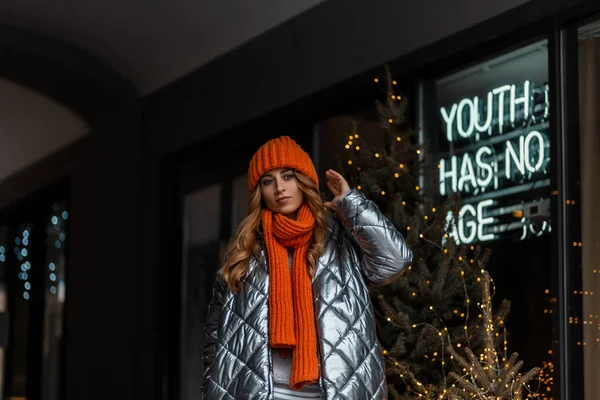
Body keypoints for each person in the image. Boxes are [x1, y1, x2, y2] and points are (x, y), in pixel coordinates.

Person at [201, 136, 413, 400]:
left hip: (332, 390)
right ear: (259, 192)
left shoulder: (339, 238)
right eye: (268, 181)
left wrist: (351, 204)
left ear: (303, 181)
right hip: (262, 393)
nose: (279, 188)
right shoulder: (244, 251)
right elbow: (215, 336)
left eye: (288, 176)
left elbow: (395, 261)